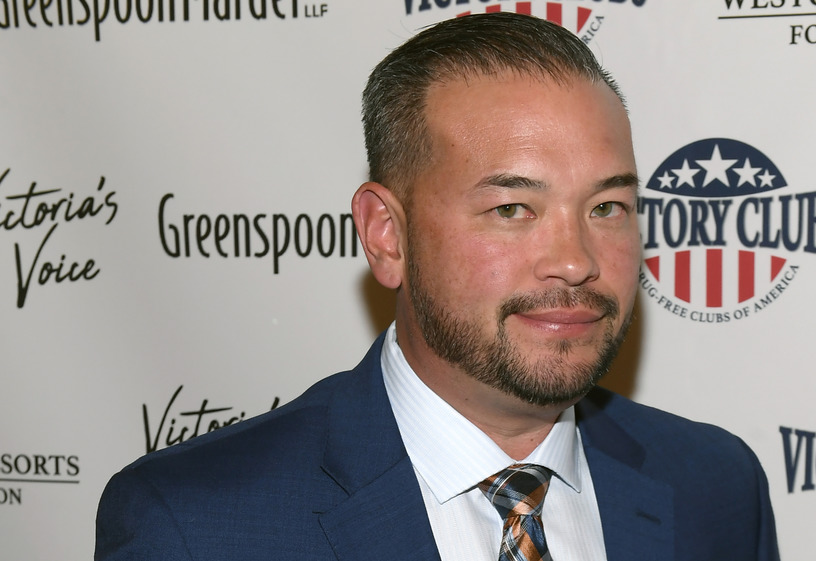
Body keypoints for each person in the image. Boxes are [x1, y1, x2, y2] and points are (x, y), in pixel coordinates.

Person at [95, 12, 780, 561]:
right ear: (387, 235)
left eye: (607, 207)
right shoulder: (194, 527)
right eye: (513, 209)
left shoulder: (715, 486)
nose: (575, 261)